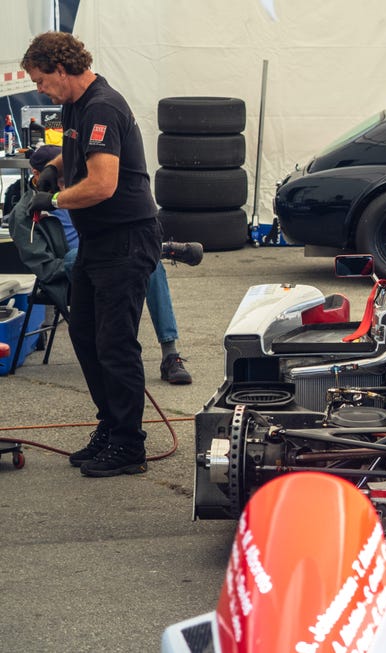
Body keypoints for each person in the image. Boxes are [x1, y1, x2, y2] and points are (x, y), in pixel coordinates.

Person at [21, 32, 161, 477]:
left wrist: (54, 202)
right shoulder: (74, 105)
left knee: (115, 343)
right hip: (99, 242)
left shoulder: (102, 105)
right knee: (83, 334)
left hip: (125, 239)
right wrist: (51, 170)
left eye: (42, 80)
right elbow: (73, 151)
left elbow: (103, 184)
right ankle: (110, 425)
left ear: (61, 68)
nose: (40, 88)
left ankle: (128, 445)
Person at [26, 145, 199, 385]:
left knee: (151, 266)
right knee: (95, 255)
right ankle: (161, 250)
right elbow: (43, 264)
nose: (67, 181)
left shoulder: (83, 192)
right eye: (62, 177)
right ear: (39, 176)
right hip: (72, 265)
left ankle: (170, 354)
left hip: (109, 254)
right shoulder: (27, 210)